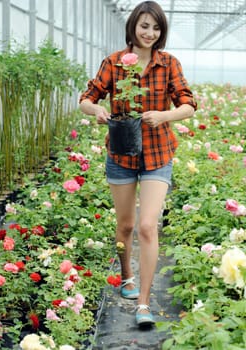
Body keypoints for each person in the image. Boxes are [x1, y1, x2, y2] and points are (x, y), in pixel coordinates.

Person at [79, 1, 196, 327]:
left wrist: (165, 115)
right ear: (133, 26)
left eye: (156, 28)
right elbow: (87, 99)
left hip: (158, 154)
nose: (150, 33)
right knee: (125, 226)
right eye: (145, 26)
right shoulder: (114, 63)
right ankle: (127, 275)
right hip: (121, 154)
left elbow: (189, 104)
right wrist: (97, 111)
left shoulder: (169, 63)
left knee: (147, 226)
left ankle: (144, 303)